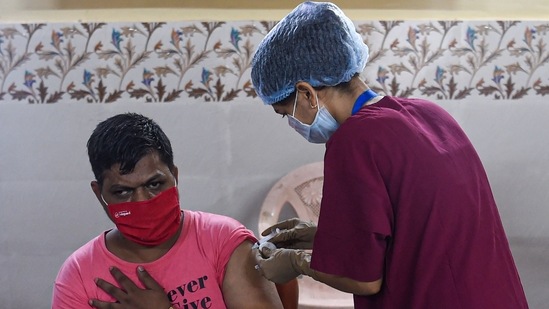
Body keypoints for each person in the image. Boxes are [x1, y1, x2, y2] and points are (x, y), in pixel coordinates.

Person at [250, 2, 529, 308]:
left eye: (285, 113)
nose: (291, 123)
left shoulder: (355, 141)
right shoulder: (429, 114)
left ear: (306, 93)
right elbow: (411, 232)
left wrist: (296, 263)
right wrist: (321, 236)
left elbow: (364, 279)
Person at [51, 113, 291, 309]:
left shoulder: (224, 241)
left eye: (154, 184)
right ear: (99, 194)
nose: (142, 201)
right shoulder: (79, 275)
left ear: (174, 176)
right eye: (123, 192)